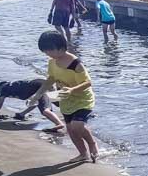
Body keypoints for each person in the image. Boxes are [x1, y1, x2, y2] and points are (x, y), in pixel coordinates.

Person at [31, 30, 98, 162]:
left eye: (50, 50)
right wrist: (37, 95)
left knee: (77, 125)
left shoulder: (75, 64)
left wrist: (72, 90)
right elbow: (51, 79)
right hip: (65, 99)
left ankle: (92, 143)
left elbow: (88, 83)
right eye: (45, 51)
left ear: (61, 48)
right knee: (70, 129)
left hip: (82, 99)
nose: (47, 54)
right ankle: (83, 154)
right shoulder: (52, 62)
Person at [0, 78, 64, 131]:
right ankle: (69, 116)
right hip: (42, 84)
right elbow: (35, 103)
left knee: (45, 110)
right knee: (58, 104)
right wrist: (22, 114)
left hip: (40, 87)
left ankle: (59, 124)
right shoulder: (16, 87)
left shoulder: (4, 89)